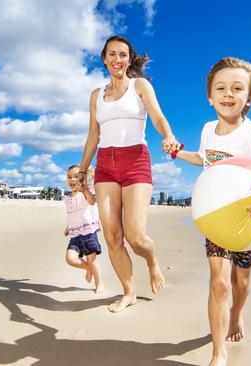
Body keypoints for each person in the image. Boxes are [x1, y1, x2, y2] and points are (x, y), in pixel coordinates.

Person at [174, 57, 251, 366]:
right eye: (221, 88)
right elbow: (207, 161)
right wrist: (179, 152)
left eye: (237, 88)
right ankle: (219, 352)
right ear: (209, 96)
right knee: (218, 282)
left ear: (249, 97)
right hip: (217, 219)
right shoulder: (207, 130)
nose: (228, 94)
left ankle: (236, 314)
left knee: (240, 283)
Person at [77, 35, 179, 313]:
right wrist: (83, 169)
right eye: (112, 54)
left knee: (135, 236)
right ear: (104, 58)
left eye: (123, 54)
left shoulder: (140, 86)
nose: (117, 59)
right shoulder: (96, 96)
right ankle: (129, 291)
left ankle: (152, 260)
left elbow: (157, 116)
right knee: (112, 237)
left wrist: (168, 135)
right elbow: (93, 135)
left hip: (136, 161)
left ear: (129, 59)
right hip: (106, 166)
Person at [63, 165, 104, 294]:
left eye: (76, 176)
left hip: (89, 233)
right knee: (70, 259)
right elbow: (73, 215)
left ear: (83, 178)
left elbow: (92, 202)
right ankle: (89, 269)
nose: (72, 179)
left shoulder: (86, 193)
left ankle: (99, 283)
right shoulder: (68, 199)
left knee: (92, 260)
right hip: (75, 235)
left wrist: (85, 189)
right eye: (69, 177)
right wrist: (68, 227)